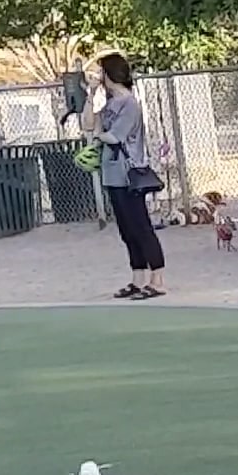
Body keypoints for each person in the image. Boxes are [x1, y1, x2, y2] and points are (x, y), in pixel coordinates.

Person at [81, 52, 166, 300]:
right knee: (126, 229)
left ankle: (157, 279)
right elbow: (89, 123)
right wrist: (90, 96)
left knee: (141, 226)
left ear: (111, 74)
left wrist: (98, 136)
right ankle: (137, 278)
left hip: (129, 173)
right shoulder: (109, 104)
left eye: (102, 73)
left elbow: (115, 136)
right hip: (112, 173)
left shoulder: (130, 104)